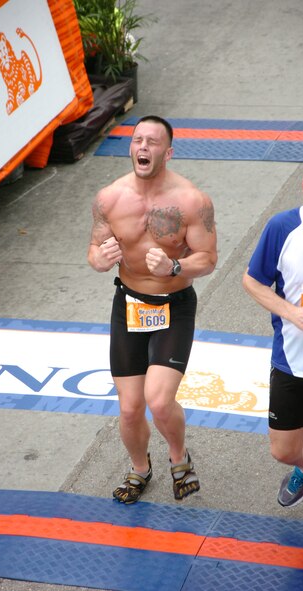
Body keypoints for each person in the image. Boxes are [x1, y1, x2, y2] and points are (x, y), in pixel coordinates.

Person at [88, 115, 217, 504]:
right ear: (131, 148)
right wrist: (100, 259)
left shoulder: (192, 201)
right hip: (128, 303)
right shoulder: (109, 198)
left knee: (159, 402)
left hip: (174, 305)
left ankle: (179, 457)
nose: (143, 147)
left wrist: (176, 266)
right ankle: (140, 468)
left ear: (169, 151)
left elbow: (208, 258)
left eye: (153, 142)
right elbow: (94, 251)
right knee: (129, 409)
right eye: (138, 140)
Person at [242, 151, 303, 588]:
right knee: (285, 451)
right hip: (290, 361)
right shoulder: (282, 228)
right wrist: (293, 314)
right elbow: (252, 281)